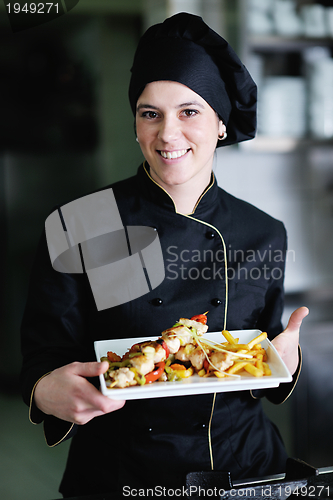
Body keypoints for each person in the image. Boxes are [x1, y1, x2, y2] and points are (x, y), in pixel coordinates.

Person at [20, 12, 309, 498]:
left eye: (189, 111)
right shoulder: (82, 223)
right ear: (135, 124)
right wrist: (46, 391)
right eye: (150, 113)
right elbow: (45, 355)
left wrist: (287, 360)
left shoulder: (263, 232)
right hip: (122, 473)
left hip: (244, 467)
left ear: (220, 123)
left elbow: (264, 354)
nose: (168, 134)